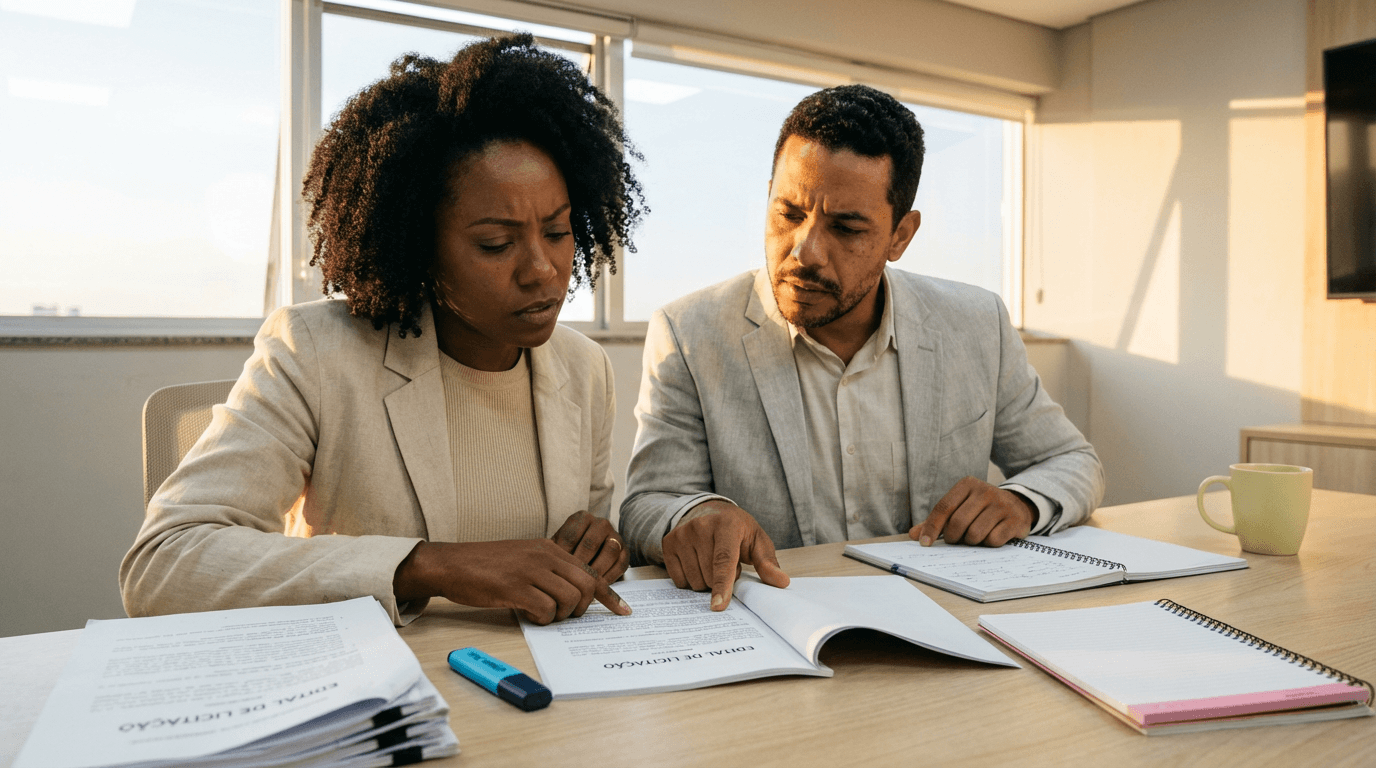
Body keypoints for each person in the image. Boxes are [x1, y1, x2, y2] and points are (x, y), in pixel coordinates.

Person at [121, 35, 646, 627]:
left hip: (533, 690)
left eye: (556, 232)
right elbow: (164, 563)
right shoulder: (316, 352)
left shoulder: (584, 368)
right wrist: (423, 566)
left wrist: (601, 549)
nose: (543, 270)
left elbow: (585, 551)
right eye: (496, 244)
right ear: (419, 249)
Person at [619, 84, 1104, 610]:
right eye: (789, 213)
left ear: (901, 235)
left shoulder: (975, 325)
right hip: (779, 627)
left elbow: (1072, 461)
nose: (805, 251)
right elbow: (647, 503)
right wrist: (696, 515)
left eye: (846, 227)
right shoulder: (690, 333)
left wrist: (1019, 502)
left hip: (943, 620)